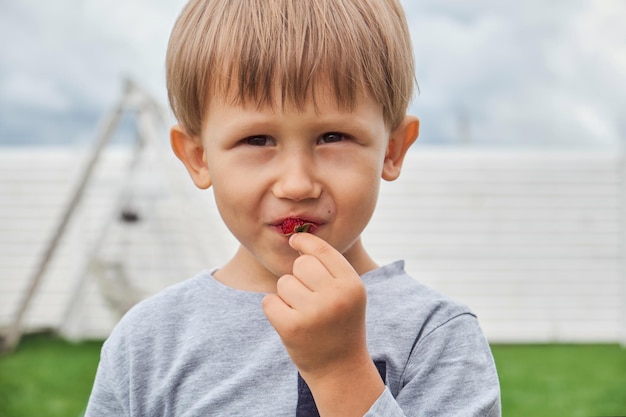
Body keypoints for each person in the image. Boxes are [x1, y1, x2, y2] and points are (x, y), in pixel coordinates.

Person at [85, 0, 501, 416]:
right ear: (198, 157)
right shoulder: (148, 342)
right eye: (258, 140)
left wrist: (340, 371)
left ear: (391, 150)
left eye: (332, 136)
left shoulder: (435, 336)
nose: (297, 184)